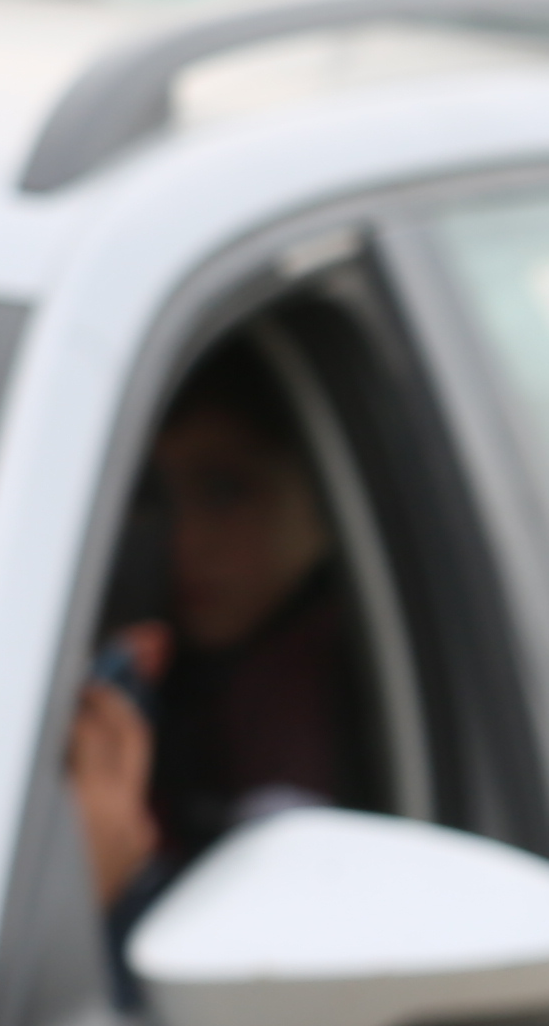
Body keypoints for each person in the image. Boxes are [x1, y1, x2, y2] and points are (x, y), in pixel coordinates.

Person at [61, 353, 380, 924]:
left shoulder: (339, 697)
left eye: (225, 491)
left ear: (330, 496)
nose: (182, 540)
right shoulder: (135, 668)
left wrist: (98, 874)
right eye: (151, 498)